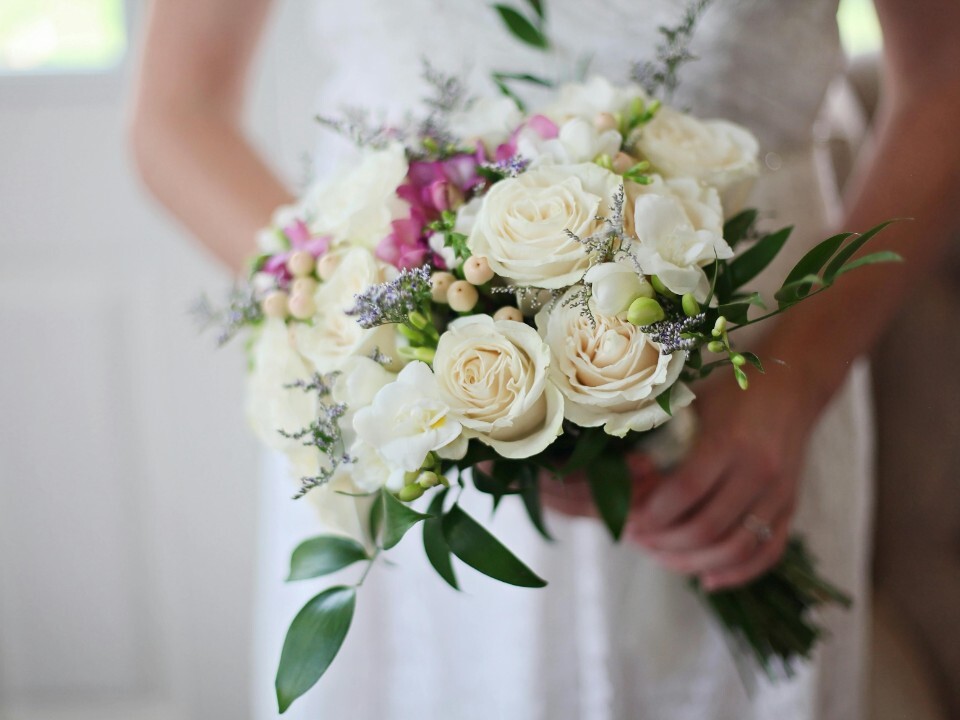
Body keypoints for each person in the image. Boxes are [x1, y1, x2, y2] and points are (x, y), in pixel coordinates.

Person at [129, 1, 960, 718]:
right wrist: (385, 345)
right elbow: (178, 113)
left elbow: (943, 80)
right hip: (410, 403)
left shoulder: (779, 393)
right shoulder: (398, 363)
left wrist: (795, 387)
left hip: (755, 383)